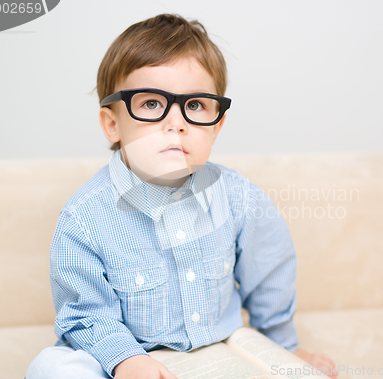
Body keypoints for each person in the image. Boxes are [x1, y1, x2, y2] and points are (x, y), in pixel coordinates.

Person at [26, 13, 338, 379]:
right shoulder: (85, 218)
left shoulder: (238, 198)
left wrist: (283, 346)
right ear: (112, 124)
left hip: (219, 347)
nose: (176, 123)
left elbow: (269, 273)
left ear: (217, 125)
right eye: (152, 104)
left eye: (194, 106)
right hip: (128, 356)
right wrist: (128, 361)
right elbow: (85, 314)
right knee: (52, 367)